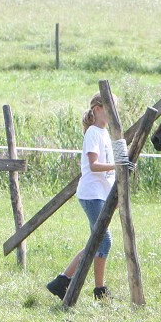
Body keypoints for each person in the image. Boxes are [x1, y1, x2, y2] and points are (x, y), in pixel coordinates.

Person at [47, 93, 117, 300]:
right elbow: (94, 166)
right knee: (103, 241)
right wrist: (118, 166)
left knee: (98, 242)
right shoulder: (93, 134)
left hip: (101, 195)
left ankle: (65, 282)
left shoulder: (104, 133)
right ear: (97, 109)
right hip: (91, 194)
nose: (113, 112)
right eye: (109, 107)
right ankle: (95, 289)